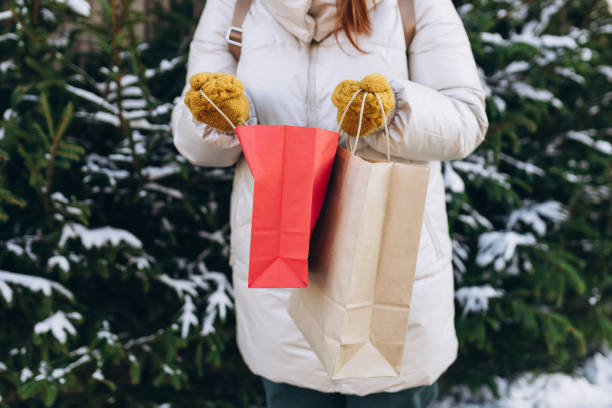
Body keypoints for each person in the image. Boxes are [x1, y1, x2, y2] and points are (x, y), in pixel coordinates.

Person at [171, 0, 489, 406]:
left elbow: (466, 118)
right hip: (279, 289)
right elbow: (193, 141)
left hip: (390, 276)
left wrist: (390, 113)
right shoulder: (234, 6)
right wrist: (214, 121)